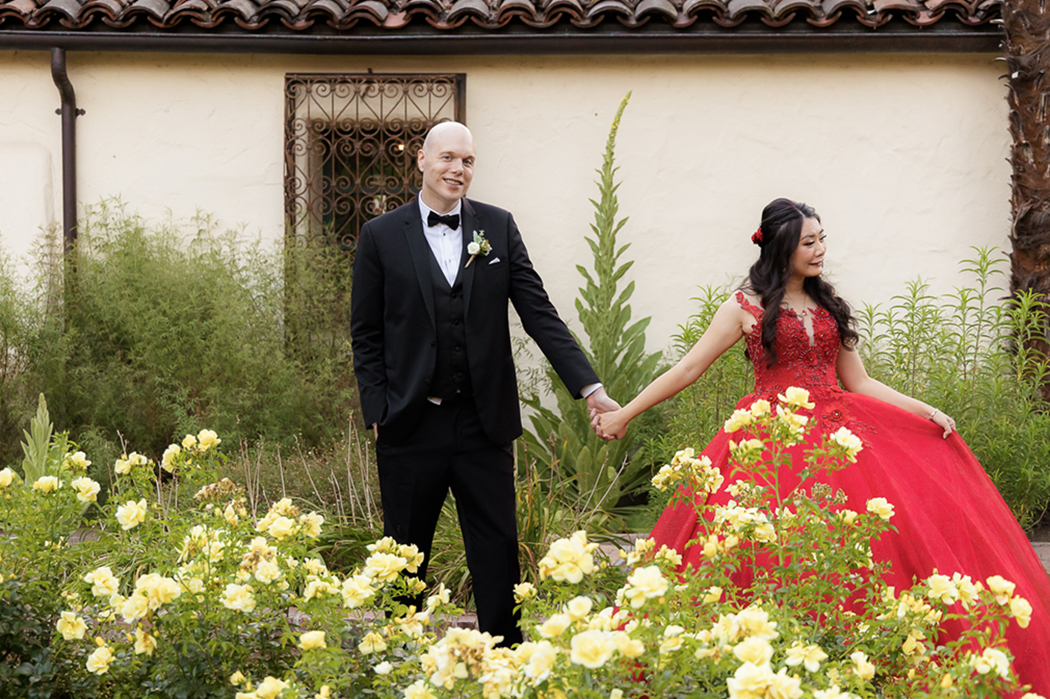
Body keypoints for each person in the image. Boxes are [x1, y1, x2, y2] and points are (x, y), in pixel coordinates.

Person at [593, 197, 1050, 692]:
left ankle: (863, 665)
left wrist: (924, 410)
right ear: (781, 248)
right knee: (761, 551)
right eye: (808, 242)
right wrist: (623, 414)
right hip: (770, 445)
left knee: (866, 546)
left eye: (821, 238)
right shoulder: (744, 306)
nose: (819, 249)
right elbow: (688, 368)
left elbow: (861, 382)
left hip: (841, 441)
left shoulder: (829, 304)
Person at [351, 121, 619, 646]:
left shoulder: (497, 226)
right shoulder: (380, 235)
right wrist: (377, 411)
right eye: (449, 158)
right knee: (404, 556)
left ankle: (503, 663)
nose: (459, 169)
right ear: (422, 160)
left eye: (468, 161)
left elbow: (539, 313)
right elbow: (366, 334)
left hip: (482, 421)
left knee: (497, 553)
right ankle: (400, 665)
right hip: (409, 422)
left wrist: (591, 388)